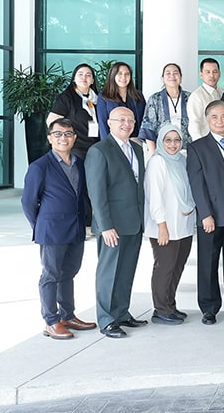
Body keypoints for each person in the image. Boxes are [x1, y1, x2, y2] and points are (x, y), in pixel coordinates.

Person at [22, 118, 97, 339]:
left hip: (75, 229)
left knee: (69, 273)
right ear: (49, 138)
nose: (63, 138)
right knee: (51, 275)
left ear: (74, 138)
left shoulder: (79, 163)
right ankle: (51, 321)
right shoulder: (39, 167)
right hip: (52, 230)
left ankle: (67, 315)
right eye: (58, 134)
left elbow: (81, 196)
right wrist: (40, 225)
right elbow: (28, 202)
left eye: (68, 134)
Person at [85, 106, 147, 338]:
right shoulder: (99, 151)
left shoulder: (137, 149)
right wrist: (105, 225)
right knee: (108, 272)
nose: (126, 124)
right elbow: (97, 193)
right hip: (112, 225)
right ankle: (106, 319)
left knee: (126, 271)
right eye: (121, 119)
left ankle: (121, 313)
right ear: (109, 123)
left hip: (134, 221)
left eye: (130, 120)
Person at [186, 100, 224, 325]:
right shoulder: (197, 147)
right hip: (211, 214)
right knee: (208, 262)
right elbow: (196, 184)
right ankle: (209, 308)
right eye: (214, 117)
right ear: (207, 120)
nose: (220, 121)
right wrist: (205, 214)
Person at [143, 124, 195, 326]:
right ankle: (160, 310)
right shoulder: (157, 162)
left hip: (183, 224)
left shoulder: (182, 160)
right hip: (164, 226)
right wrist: (161, 226)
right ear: (160, 142)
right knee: (164, 268)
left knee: (176, 267)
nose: (173, 144)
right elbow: (154, 197)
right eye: (168, 140)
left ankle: (170, 305)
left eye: (176, 140)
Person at [46, 63, 100, 161]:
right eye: (80, 74)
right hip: (76, 148)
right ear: (74, 79)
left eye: (88, 75)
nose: (84, 77)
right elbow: (51, 121)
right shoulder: (66, 98)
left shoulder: (97, 99)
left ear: (92, 80)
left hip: (94, 146)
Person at [140, 63, 192, 153]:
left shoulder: (190, 98)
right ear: (163, 78)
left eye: (175, 73)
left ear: (181, 77)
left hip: (187, 149)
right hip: (162, 150)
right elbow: (148, 128)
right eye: (168, 73)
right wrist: (154, 154)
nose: (172, 76)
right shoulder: (155, 99)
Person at [96, 61, 145, 140]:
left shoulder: (138, 95)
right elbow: (103, 123)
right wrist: (107, 144)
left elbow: (144, 120)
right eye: (120, 73)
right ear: (113, 76)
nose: (123, 77)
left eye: (127, 74)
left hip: (135, 141)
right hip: (114, 142)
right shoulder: (104, 96)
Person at [186, 58, 223, 142]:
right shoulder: (196, 96)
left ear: (219, 74)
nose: (211, 75)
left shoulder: (223, 93)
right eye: (207, 72)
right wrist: (200, 145)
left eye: (215, 72)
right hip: (206, 143)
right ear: (201, 74)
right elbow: (194, 123)